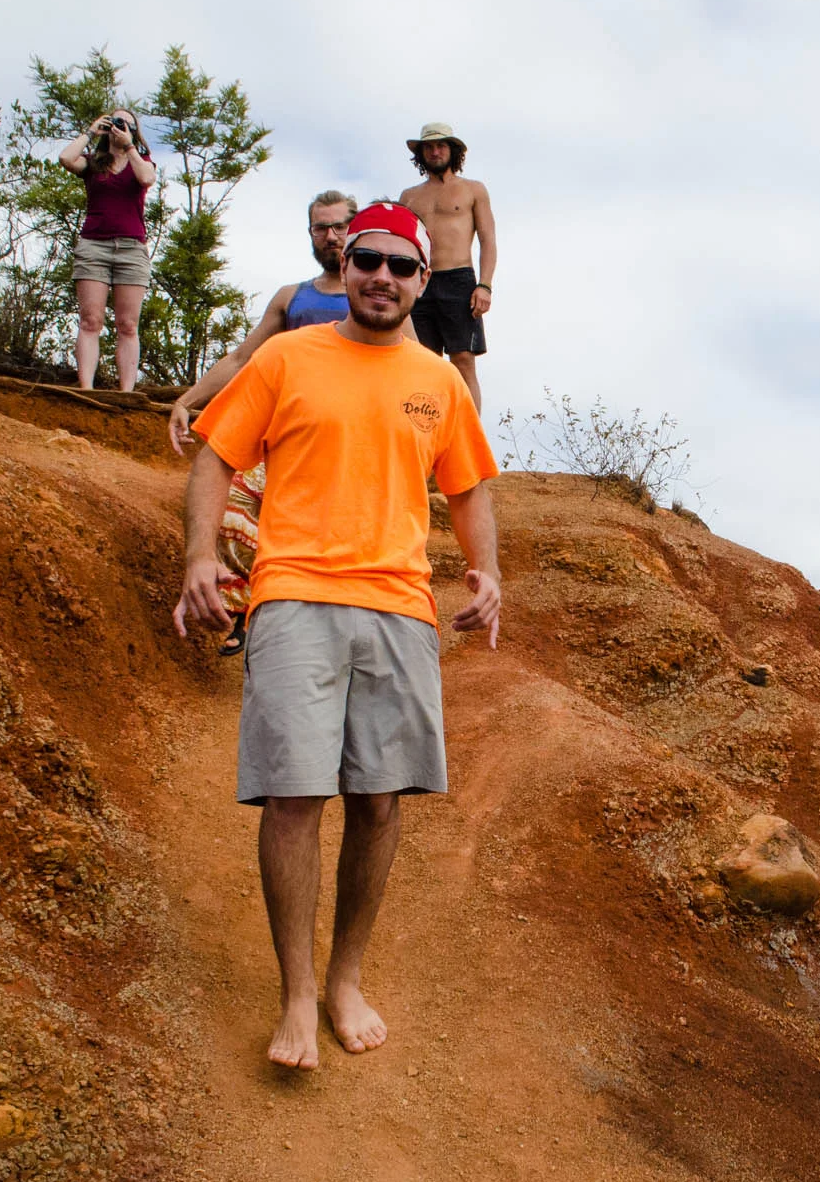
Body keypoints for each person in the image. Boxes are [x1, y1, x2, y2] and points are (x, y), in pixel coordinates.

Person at [172, 201, 502, 1071]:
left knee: (380, 798)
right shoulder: (286, 357)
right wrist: (200, 558)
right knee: (292, 797)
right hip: (292, 596)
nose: (383, 279)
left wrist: (486, 570)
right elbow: (216, 455)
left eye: (401, 267)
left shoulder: (440, 380)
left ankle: (345, 976)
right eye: (369, 261)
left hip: (400, 607)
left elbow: (467, 490)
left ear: (424, 281)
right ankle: (295, 993)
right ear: (344, 266)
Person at [167, 189, 372, 657]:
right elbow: (243, 357)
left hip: (349, 447)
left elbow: (413, 364)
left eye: (340, 226)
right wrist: (188, 399)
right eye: (321, 227)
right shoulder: (292, 297)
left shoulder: (379, 298)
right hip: (278, 438)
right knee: (228, 508)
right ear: (310, 234)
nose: (331, 236)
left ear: (355, 228)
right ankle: (253, 603)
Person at [57, 109, 157, 391]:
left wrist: (129, 145)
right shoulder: (93, 164)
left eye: (126, 123)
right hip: (94, 246)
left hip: (131, 249)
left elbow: (147, 178)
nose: (119, 126)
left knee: (127, 324)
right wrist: (90, 132)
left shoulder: (143, 161)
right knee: (90, 320)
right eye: (115, 121)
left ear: (135, 131)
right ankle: (86, 388)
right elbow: (66, 159)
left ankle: (126, 393)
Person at [399, 123, 496, 408]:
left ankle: (470, 440)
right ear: (421, 153)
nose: (435, 151)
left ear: (452, 151)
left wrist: (485, 285)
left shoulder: (472, 190)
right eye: (429, 146)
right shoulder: (409, 197)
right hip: (420, 281)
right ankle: (431, 433)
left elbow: (488, 240)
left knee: (463, 360)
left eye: (441, 145)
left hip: (459, 279)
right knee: (423, 361)